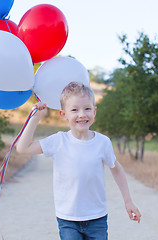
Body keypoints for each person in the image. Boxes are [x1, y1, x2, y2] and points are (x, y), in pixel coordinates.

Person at [16, 81, 141, 239]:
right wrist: (36, 118)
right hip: (68, 219)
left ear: (94, 112)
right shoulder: (58, 141)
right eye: (74, 110)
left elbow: (117, 169)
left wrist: (128, 201)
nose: (82, 114)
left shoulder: (103, 142)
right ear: (64, 114)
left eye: (87, 108)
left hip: (97, 218)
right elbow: (23, 148)